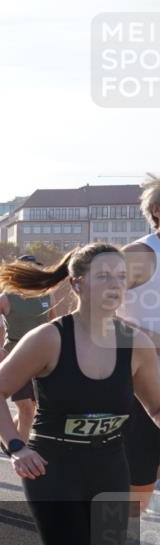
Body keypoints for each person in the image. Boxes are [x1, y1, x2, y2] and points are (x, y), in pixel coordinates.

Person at [0, 243, 159, 545]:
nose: (115, 285)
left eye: (121, 277)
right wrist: (16, 445)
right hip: (54, 470)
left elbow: (156, 406)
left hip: (111, 469)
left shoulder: (135, 344)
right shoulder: (47, 339)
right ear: (78, 283)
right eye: (104, 277)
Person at [0, 256, 55, 443]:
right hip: (16, 356)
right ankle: (22, 456)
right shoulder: (5, 298)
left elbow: (53, 325)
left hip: (41, 358)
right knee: (26, 410)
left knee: (33, 409)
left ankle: (11, 439)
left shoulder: (48, 295)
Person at [119, 174, 160, 514]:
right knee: (138, 492)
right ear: (158, 211)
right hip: (143, 386)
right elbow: (91, 312)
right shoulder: (139, 256)